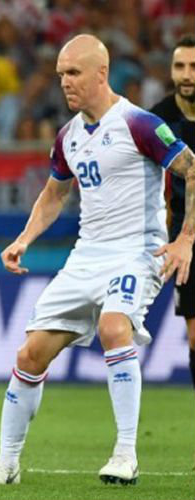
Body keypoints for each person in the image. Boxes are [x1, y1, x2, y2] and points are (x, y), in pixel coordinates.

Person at [0, 34, 195, 486]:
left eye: (73, 73)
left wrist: (186, 238)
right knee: (31, 353)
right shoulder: (68, 135)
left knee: (114, 327)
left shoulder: (140, 124)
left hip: (136, 251)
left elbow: (192, 167)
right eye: (60, 75)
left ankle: (125, 455)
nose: (65, 82)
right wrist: (24, 239)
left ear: (101, 73)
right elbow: (54, 194)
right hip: (86, 256)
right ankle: (6, 464)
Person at [149, 34, 195, 389]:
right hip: (185, 240)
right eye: (180, 66)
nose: (187, 74)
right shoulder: (157, 120)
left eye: (194, 66)